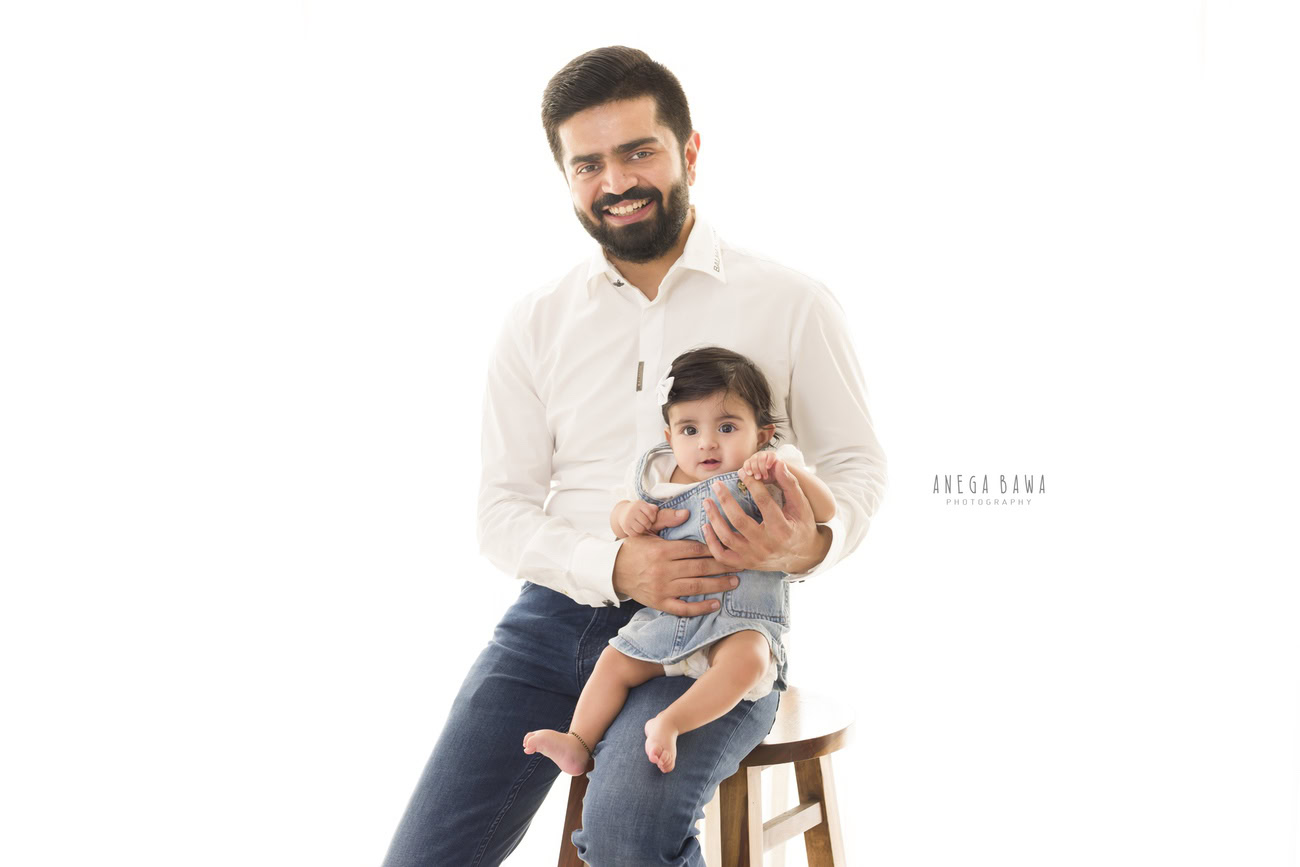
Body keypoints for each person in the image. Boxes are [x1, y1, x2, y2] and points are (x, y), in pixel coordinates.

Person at [381, 46, 886, 867]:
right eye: (589, 163)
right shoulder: (536, 321)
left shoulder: (791, 302)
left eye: (638, 151)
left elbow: (858, 466)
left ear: (688, 151)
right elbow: (501, 510)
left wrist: (811, 544)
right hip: (550, 623)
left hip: (716, 631)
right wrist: (615, 565)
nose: (615, 180)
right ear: (567, 176)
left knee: (623, 835)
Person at [523, 347, 837, 776]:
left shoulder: (770, 470)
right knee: (614, 661)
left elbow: (826, 510)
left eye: (727, 427)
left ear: (761, 436)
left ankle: (672, 721)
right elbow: (617, 519)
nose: (707, 442)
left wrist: (787, 473)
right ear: (669, 437)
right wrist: (627, 518)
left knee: (749, 662)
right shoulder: (657, 477)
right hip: (669, 620)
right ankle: (578, 740)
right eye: (689, 429)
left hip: (741, 621)